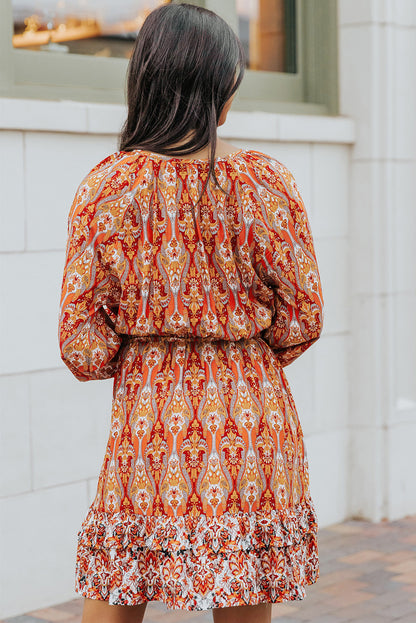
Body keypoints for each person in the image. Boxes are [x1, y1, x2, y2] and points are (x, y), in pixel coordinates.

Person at [58, 4, 323, 623]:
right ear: (219, 89)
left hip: (150, 419)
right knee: (242, 583)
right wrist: (239, 353)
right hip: (248, 415)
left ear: (145, 79)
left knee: (122, 579)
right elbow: (303, 313)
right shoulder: (267, 184)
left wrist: (148, 356)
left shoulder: (107, 188)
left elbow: (81, 341)